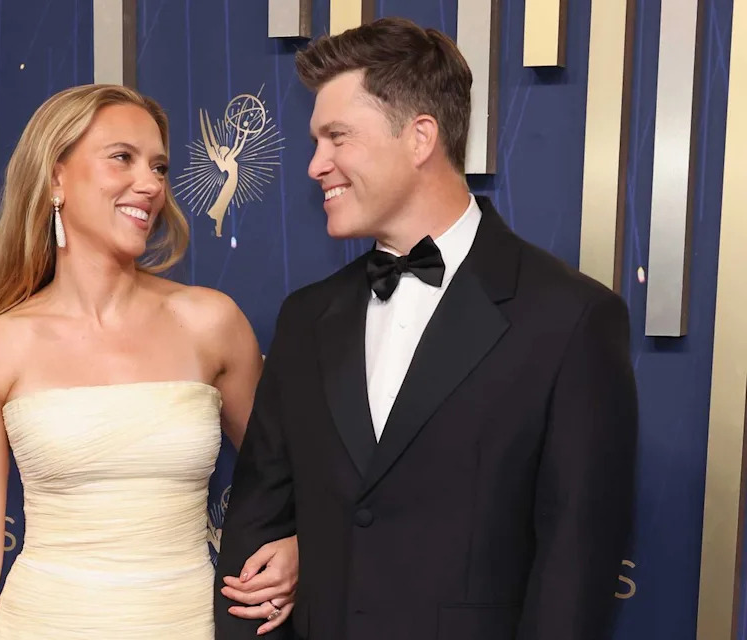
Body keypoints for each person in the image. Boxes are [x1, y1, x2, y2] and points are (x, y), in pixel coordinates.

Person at [214, 17, 638, 640]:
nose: (314, 166)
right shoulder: (306, 317)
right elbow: (257, 530)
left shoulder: (571, 318)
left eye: (336, 137)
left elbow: (574, 571)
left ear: (419, 138)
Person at [0, 84, 298, 639]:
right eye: (122, 158)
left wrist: (298, 545)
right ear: (56, 178)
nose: (150, 183)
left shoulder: (211, 323)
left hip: (185, 624)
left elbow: (293, 479)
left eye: (158, 166)